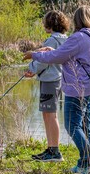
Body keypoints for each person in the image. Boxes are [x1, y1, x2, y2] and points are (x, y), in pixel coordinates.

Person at [23, 5, 90, 174]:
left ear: (77, 20)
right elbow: (67, 55)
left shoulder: (79, 37)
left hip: (77, 88)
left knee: (71, 125)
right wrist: (53, 51)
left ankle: (89, 161)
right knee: (84, 125)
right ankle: (84, 163)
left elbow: (57, 58)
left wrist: (34, 54)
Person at [25, 10, 69, 162]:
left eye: (45, 22)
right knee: (48, 114)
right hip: (56, 80)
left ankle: (55, 151)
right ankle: (51, 149)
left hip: (51, 80)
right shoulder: (65, 39)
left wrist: (31, 69)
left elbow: (44, 60)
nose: (44, 24)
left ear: (50, 24)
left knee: (50, 115)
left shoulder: (52, 40)